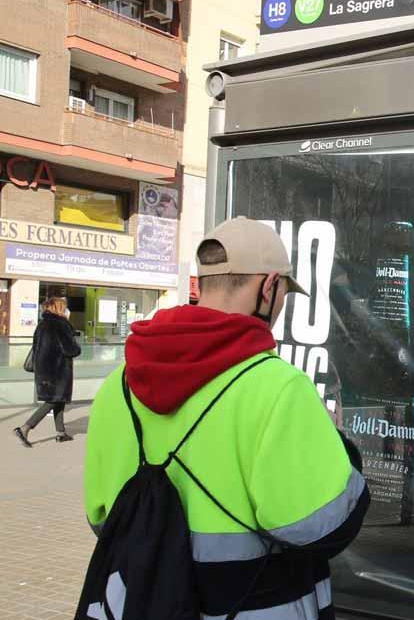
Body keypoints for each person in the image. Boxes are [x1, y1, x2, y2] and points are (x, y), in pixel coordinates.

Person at [83, 217, 369, 619]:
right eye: (285, 290)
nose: (283, 302)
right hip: (254, 606)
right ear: (269, 287)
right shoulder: (279, 386)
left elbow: (102, 518)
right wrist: (337, 446)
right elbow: (324, 526)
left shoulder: (119, 383)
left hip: (136, 602)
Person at [12, 297, 82, 447]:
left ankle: (61, 433)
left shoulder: (42, 325)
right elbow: (71, 349)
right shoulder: (61, 325)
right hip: (57, 371)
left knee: (58, 399)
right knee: (53, 400)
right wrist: (76, 345)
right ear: (59, 308)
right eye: (64, 307)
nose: (66, 310)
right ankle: (25, 428)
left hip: (44, 370)